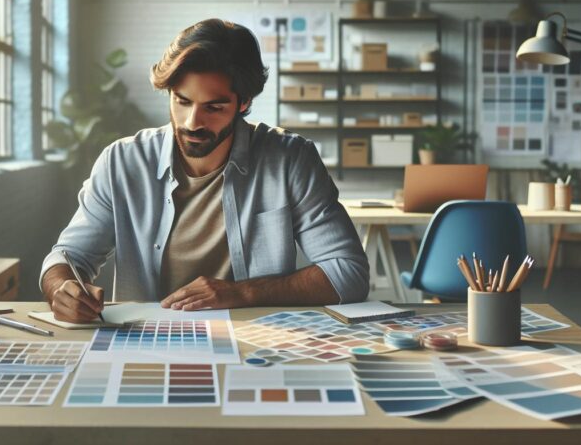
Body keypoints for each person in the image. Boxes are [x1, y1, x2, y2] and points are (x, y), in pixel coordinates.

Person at [41, 19, 369, 322]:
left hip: (257, 338)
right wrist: (62, 290)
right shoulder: (122, 162)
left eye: (213, 107)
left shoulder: (290, 159)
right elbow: (67, 258)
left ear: (243, 102)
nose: (192, 122)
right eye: (182, 101)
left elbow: (348, 272)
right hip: (143, 337)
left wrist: (243, 292)